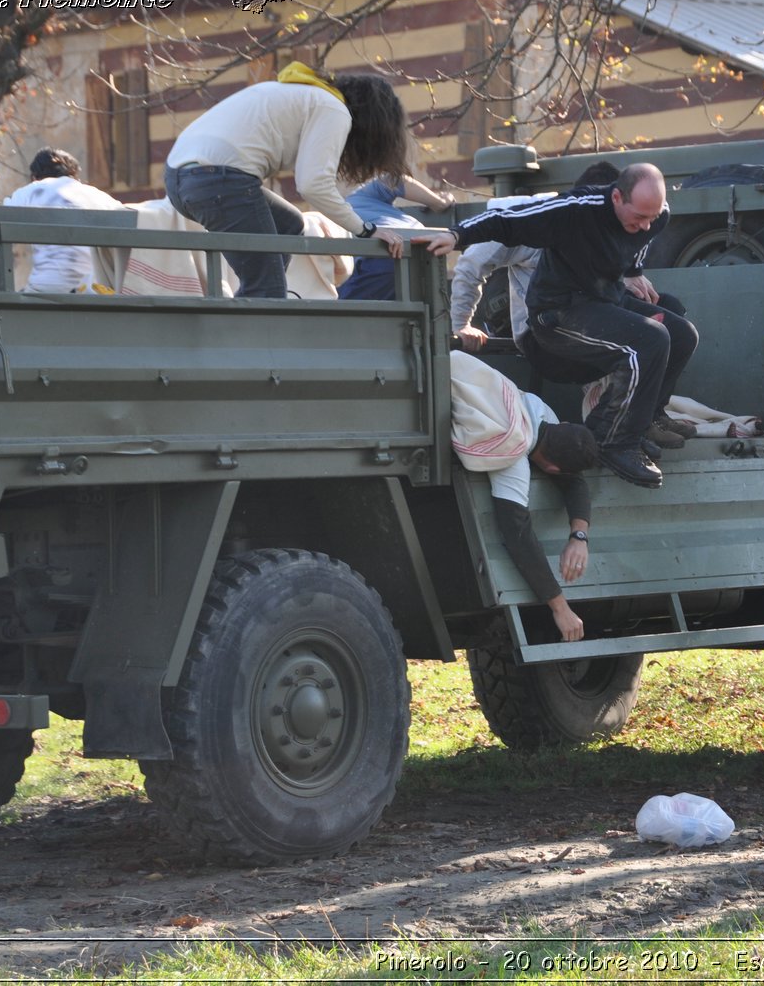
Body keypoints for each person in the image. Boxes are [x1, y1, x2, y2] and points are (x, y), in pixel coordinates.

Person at [414, 163, 696, 488]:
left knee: (681, 333)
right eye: (637, 218)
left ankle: (644, 419)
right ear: (615, 198)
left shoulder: (655, 218)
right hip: (555, 315)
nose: (644, 226)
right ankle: (613, 440)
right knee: (651, 340)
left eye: (651, 218)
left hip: (601, 303)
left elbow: (637, 245)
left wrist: (633, 270)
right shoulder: (572, 211)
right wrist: (456, 234)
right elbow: (506, 222)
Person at [164, 62, 411, 298]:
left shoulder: (304, 95)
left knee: (288, 225)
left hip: (179, 178)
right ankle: (259, 311)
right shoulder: (332, 109)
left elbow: (319, 177)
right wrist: (366, 229)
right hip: (218, 182)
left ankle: (260, 298)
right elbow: (313, 185)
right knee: (266, 287)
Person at [450, 351, 603, 641]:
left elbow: (575, 485)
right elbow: (517, 534)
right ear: (553, 468)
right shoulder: (512, 456)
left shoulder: (539, 410)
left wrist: (579, 537)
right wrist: (560, 608)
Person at [0, 148, 125, 293]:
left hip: (48, 291)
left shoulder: (33, 190)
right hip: (98, 291)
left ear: (34, 177)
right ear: (75, 176)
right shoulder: (102, 198)